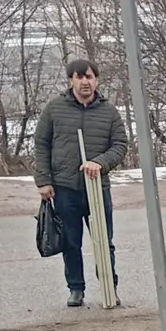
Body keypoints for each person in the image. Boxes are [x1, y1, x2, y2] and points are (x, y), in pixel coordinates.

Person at [34, 58, 126, 308]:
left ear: (96, 80)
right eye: (79, 77)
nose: (85, 82)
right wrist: (43, 181)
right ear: (71, 80)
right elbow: (41, 145)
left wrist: (100, 162)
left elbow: (120, 146)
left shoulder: (109, 111)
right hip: (65, 188)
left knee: (104, 242)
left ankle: (110, 287)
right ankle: (76, 289)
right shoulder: (54, 108)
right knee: (71, 242)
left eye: (89, 77)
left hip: (97, 188)